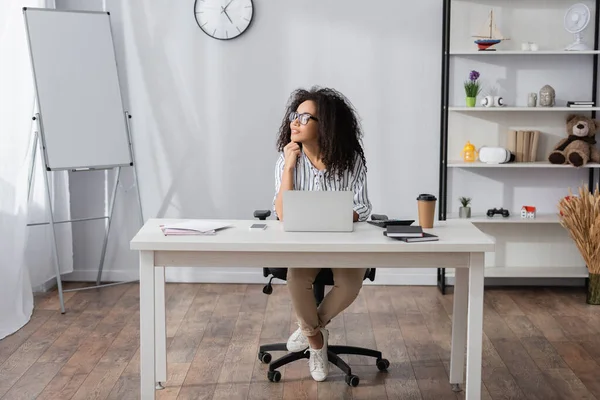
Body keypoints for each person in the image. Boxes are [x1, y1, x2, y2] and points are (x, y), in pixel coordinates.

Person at [272, 86, 372, 382]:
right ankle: (316, 343)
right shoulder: (288, 158)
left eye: (305, 117)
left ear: (325, 125)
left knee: (350, 284)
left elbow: (363, 208)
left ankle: (309, 327)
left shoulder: (350, 159)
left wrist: (334, 215)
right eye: (295, 115)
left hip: (344, 239)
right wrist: (290, 167)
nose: (295, 122)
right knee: (297, 278)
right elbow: (281, 213)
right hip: (303, 241)